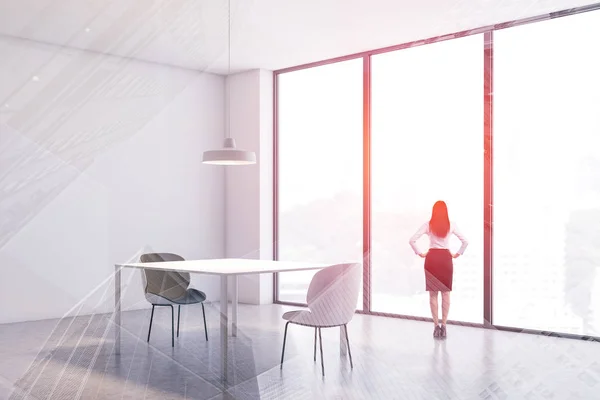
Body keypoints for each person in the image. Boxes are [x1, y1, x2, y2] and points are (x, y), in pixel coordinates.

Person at [409, 200, 468, 338]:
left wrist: (420, 253)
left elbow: (412, 240)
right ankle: (444, 326)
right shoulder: (451, 225)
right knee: (446, 293)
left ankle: (436, 326)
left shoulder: (428, 225)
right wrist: (457, 254)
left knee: (433, 294)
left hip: (432, 259)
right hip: (446, 259)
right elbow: (465, 241)